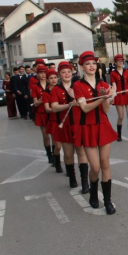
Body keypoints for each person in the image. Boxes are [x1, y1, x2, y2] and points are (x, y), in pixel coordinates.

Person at [73, 51, 118, 214]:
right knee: (96, 167)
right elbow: (84, 108)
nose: (91, 66)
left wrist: (107, 98)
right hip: (88, 127)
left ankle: (107, 201)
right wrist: (102, 98)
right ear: (82, 67)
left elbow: (105, 110)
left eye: (93, 63)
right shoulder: (78, 85)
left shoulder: (103, 84)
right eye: (87, 64)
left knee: (105, 164)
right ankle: (93, 191)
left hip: (103, 125)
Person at [50, 61, 90, 193]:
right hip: (65, 125)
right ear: (59, 74)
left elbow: (87, 102)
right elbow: (54, 107)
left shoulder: (78, 85)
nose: (66, 74)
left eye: (68, 71)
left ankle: (85, 182)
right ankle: (72, 177)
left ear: (72, 72)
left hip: (79, 124)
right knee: (68, 154)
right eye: (63, 72)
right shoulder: (56, 89)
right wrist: (69, 105)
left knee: (81, 152)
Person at [110, 54, 128, 141]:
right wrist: (113, 97)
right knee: (121, 117)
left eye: (122, 61)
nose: (121, 62)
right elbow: (114, 86)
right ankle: (119, 135)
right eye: (119, 61)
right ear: (115, 62)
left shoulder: (127, 72)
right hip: (118, 95)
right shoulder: (113, 73)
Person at [42, 69, 63, 173]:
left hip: (64, 119)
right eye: (51, 78)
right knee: (58, 146)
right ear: (47, 80)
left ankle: (68, 166)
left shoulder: (61, 89)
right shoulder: (46, 93)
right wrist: (57, 108)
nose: (54, 80)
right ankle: (57, 162)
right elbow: (47, 108)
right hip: (54, 120)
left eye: (55, 77)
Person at [31, 65, 53, 164]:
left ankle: (55, 155)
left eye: (44, 73)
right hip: (41, 113)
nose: (43, 75)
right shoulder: (35, 86)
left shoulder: (51, 84)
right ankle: (49, 154)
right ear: (37, 74)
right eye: (41, 73)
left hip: (52, 111)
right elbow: (35, 103)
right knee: (46, 136)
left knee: (54, 136)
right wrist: (42, 100)